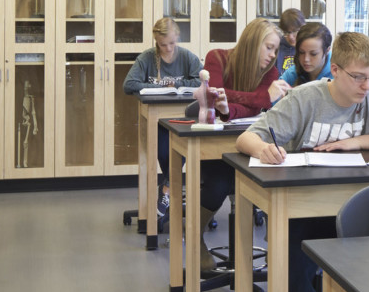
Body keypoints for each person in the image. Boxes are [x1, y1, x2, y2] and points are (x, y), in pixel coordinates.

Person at [235, 32, 369, 292]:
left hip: (351, 204)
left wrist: (357, 142)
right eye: (358, 77)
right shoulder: (306, 98)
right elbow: (246, 139)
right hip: (302, 204)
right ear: (337, 70)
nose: (366, 86)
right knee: (300, 240)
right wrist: (264, 150)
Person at [192, 18, 290, 263]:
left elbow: (248, 109)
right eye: (269, 47)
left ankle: (276, 245)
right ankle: (195, 236)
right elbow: (213, 96)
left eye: (276, 50)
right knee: (219, 183)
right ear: (253, 41)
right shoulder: (217, 58)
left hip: (252, 141)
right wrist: (261, 98)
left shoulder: (272, 71)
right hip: (214, 144)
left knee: (275, 173)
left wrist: (231, 109)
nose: (273, 55)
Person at [123, 17, 204, 224]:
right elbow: (129, 84)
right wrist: (164, 88)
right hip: (157, 123)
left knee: (180, 145)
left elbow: (201, 81)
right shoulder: (147, 58)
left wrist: (178, 85)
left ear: (177, 38)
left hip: (183, 121)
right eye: (162, 44)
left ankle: (166, 190)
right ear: (156, 42)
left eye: (171, 43)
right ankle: (167, 189)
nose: (167, 48)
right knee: (164, 150)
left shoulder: (187, 57)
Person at [278, 22, 333, 87]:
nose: (306, 59)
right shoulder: (293, 73)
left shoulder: (338, 74)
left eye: (313, 54)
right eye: (301, 52)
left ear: (327, 50)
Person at [274, 8, 306, 75]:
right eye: (287, 32)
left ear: (303, 28)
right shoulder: (277, 48)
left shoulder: (309, 47)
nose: (290, 37)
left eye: (295, 31)